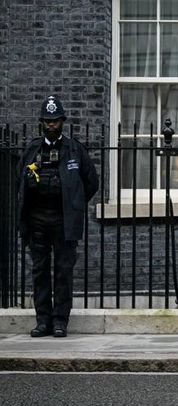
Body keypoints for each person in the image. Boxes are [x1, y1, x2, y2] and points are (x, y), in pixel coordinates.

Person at [16, 95, 99, 337]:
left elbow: (91, 182)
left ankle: (61, 320)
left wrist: (74, 203)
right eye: (47, 121)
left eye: (55, 121)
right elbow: (18, 181)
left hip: (64, 220)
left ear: (62, 121)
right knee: (40, 271)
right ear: (41, 122)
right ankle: (43, 321)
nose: (51, 125)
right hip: (38, 219)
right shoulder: (32, 149)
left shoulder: (75, 149)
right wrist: (29, 183)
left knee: (63, 271)